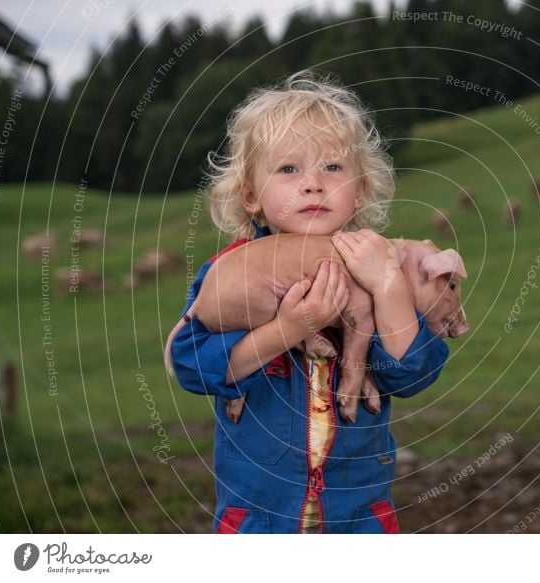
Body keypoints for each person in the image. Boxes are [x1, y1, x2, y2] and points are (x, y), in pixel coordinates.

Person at [169, 71, 449, 533]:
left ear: (360, 191)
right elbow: (191, 366)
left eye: (333, 168)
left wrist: (389, 287)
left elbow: (413, 373)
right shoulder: (232, 273)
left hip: (357, 521)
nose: (313, 183)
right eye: (289, 169)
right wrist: (292, 327)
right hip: (259, 523)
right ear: (251, 196)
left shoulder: (376, 267)